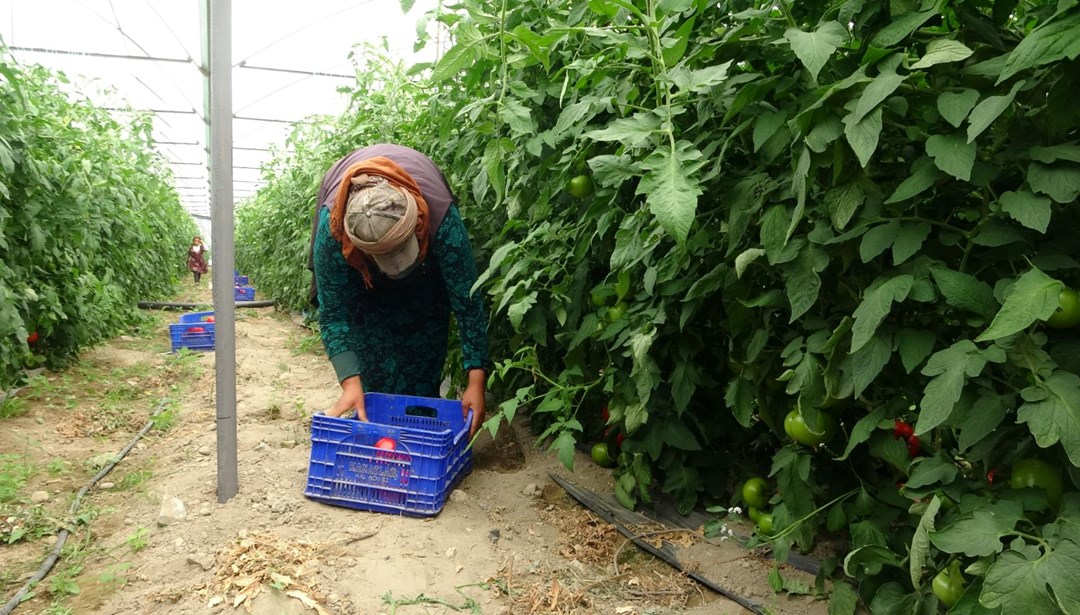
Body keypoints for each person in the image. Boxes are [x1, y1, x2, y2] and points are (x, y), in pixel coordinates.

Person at [308, 144, 490, 437]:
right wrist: (351, 383)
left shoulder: (440, 220)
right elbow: (335, 315)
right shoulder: (334, 233)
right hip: (363, 277)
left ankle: (417, 422)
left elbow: (466, 301)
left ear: (417, 222)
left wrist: (476, 382)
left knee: (426, 335)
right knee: (367, 339)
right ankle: (375, 421)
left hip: (424, 276)